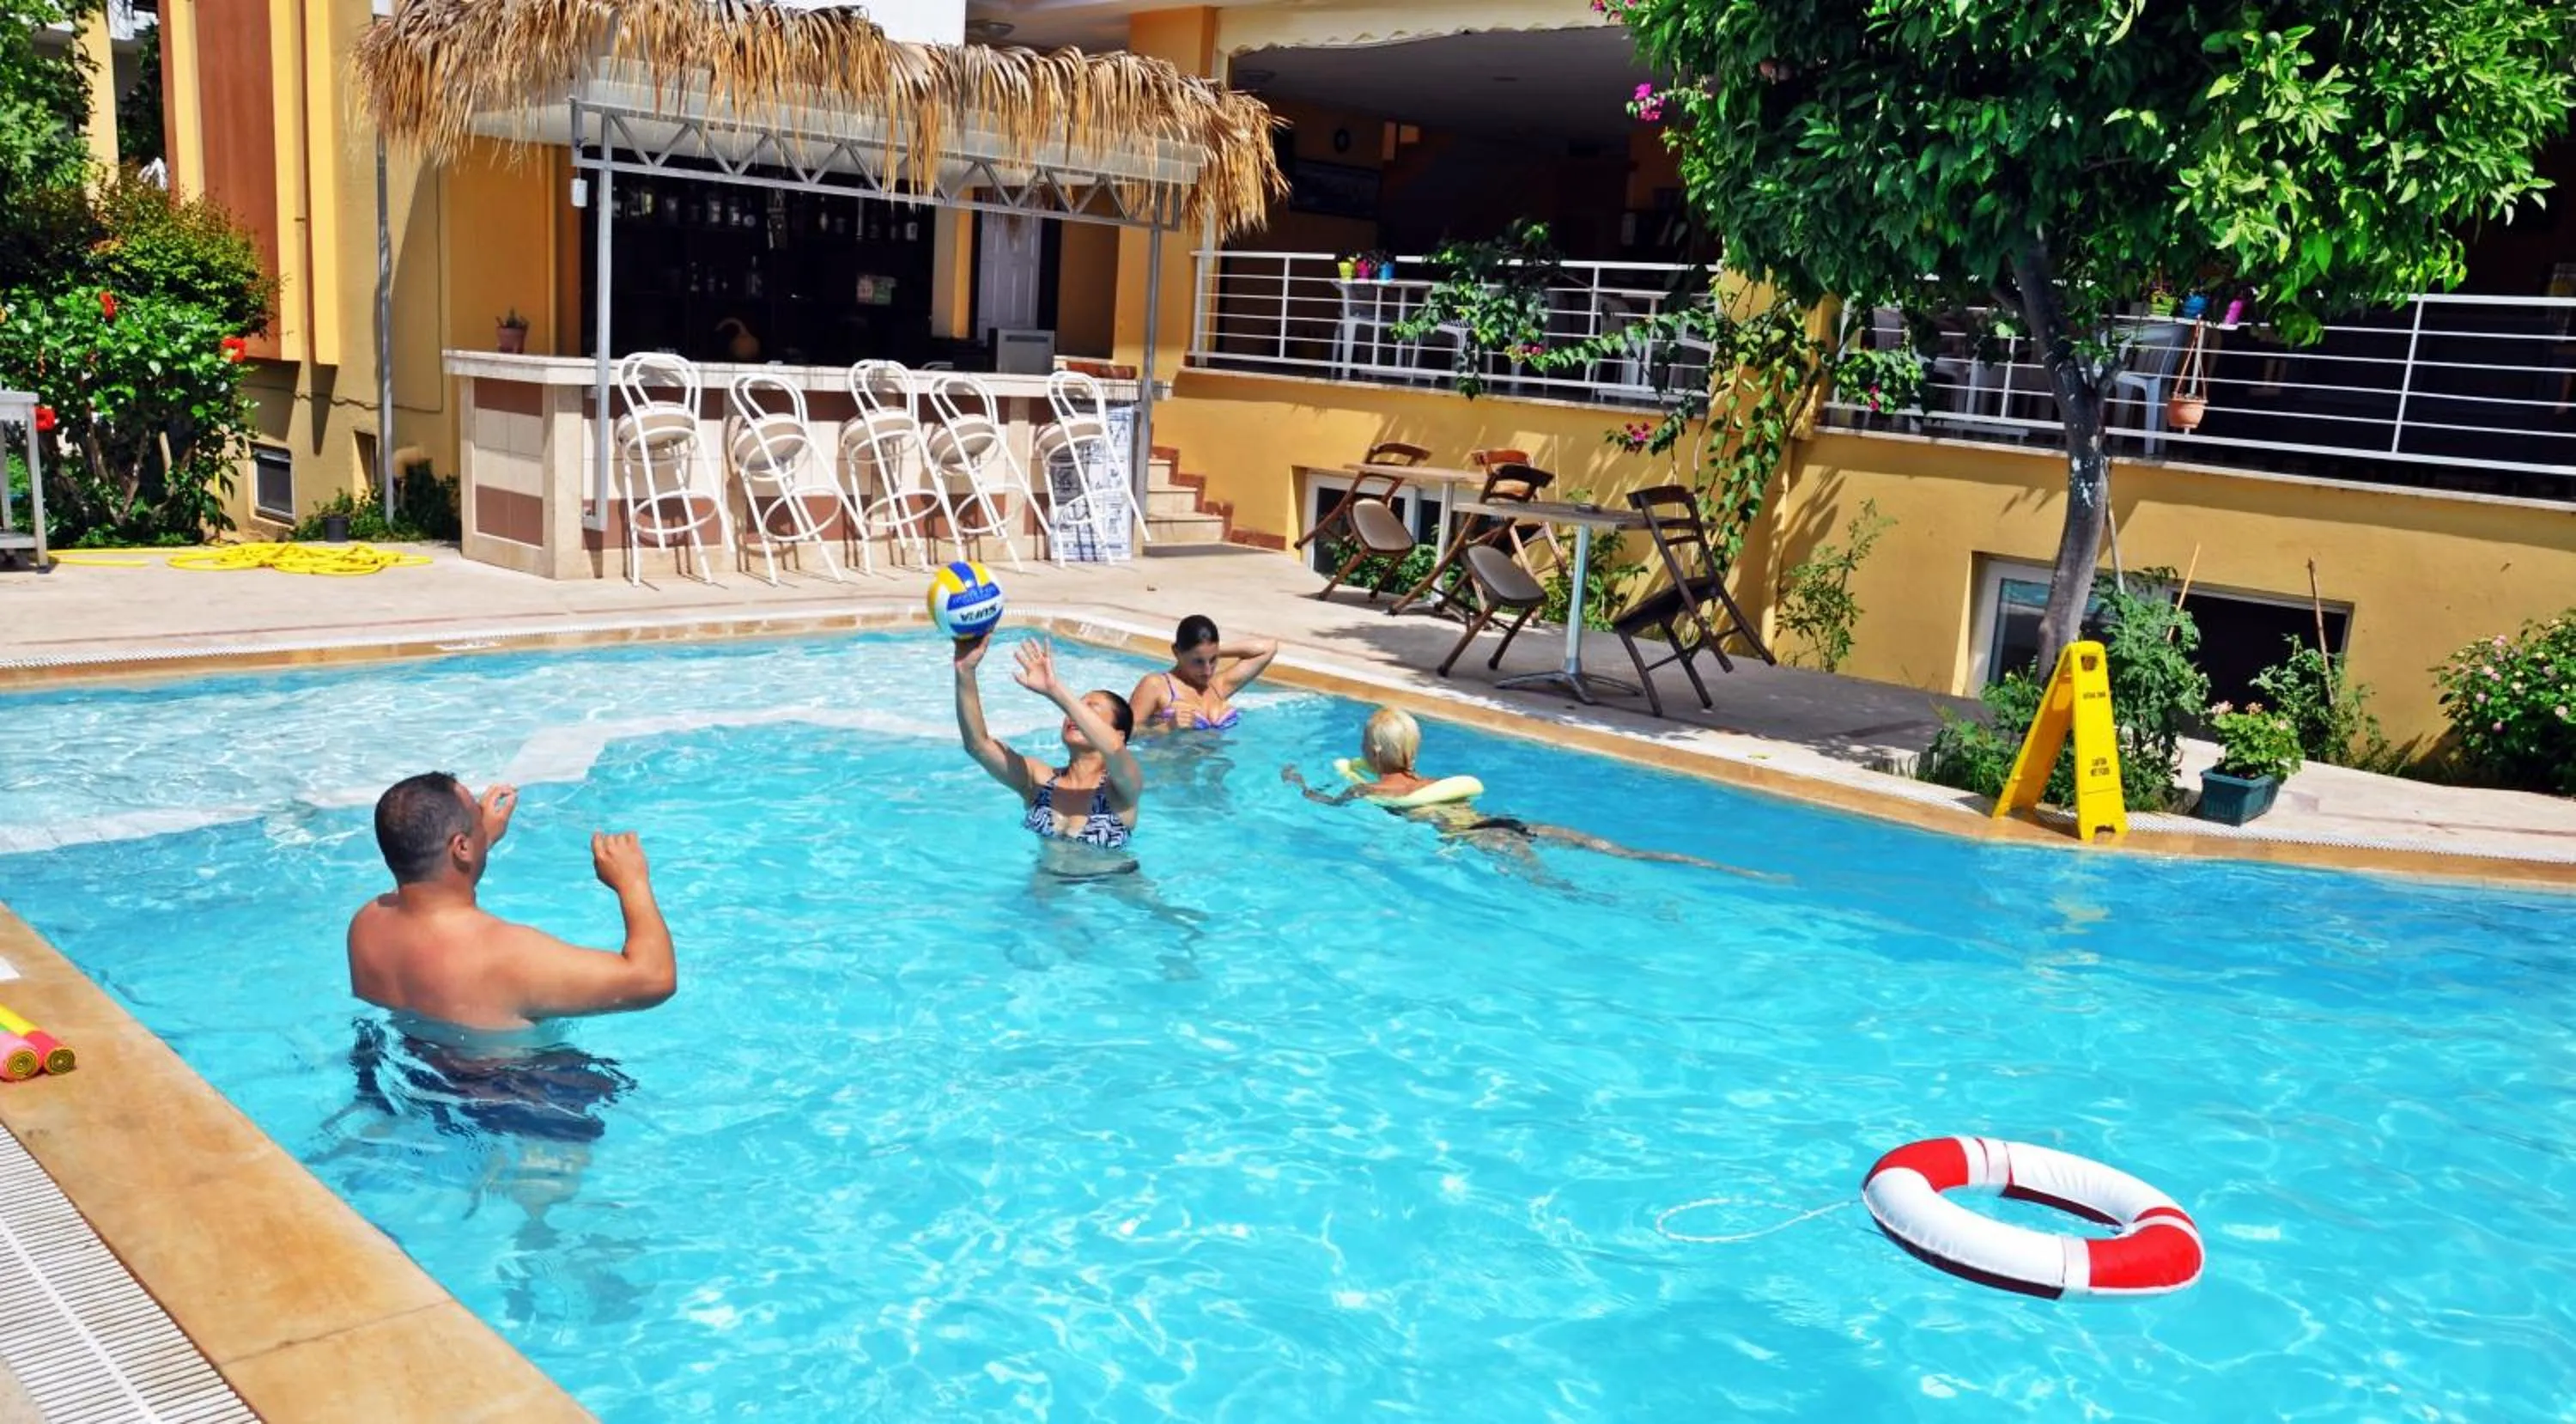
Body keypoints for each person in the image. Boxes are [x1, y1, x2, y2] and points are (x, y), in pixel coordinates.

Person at [348, 773, 677, 1032]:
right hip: (512, 1100)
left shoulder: (366, 924)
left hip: (419, 1070)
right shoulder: (508, 954)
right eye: (477, 813)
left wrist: (481, 838)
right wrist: (632, 881)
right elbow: (654, 979)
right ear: (460, 847)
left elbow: (435, 890)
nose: (482, 814)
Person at [1281, 707, 1771, 878]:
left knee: (1554, 886)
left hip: (1477, 839)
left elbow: (1324, 802)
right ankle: (1717, 866)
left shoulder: (1369, 788)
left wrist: (1297, 781)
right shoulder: (1434, 782)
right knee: (1620, 850)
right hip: (1505, 820)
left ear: (1371, 750)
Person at [955, 633, 1144, 867]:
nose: (1074, 715)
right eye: (1076, 708)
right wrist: (965, 670)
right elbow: (978, 745)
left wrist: (1055, 690)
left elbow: (1113, 749)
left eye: (1089, 709)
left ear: (1119, 733)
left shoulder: (1122, 789)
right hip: (1046, 893)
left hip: (1111, 892)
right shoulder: (1039, 780)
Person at [1127, 615, 1278, 734]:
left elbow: (1268, 647)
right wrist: (1164, 728)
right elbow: (1123, 733)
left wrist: (1210, 651)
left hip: (1217, 771)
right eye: (1198, 661)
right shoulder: (1157, 685)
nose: (1207, 671)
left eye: (1213, 660)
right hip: (1169, 770)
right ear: (1176, 652)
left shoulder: (1219, 686)